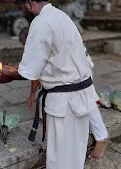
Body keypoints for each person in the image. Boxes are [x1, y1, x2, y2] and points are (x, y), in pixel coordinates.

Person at [0, 0, 106, 169]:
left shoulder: (40, 22)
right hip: (80, 95)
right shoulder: (61, 16)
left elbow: (32, 70)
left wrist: (10, 75)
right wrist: (18, 71)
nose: (22, 13)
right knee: (75, 152)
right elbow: (52, 61)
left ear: (29, 3)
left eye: (21, 8)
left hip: (65, 101)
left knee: (60, 157)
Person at [19, 26, 108, 160]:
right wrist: (32, 94)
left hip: (81, 69)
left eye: (28, 45)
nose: (28, 49)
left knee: (87, 101)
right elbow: (37, 73)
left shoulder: (49, 39)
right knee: (54, 93)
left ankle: (101, 138)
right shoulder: (39, 43)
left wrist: (33, 92)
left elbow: (37, 74)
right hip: (66, 70)